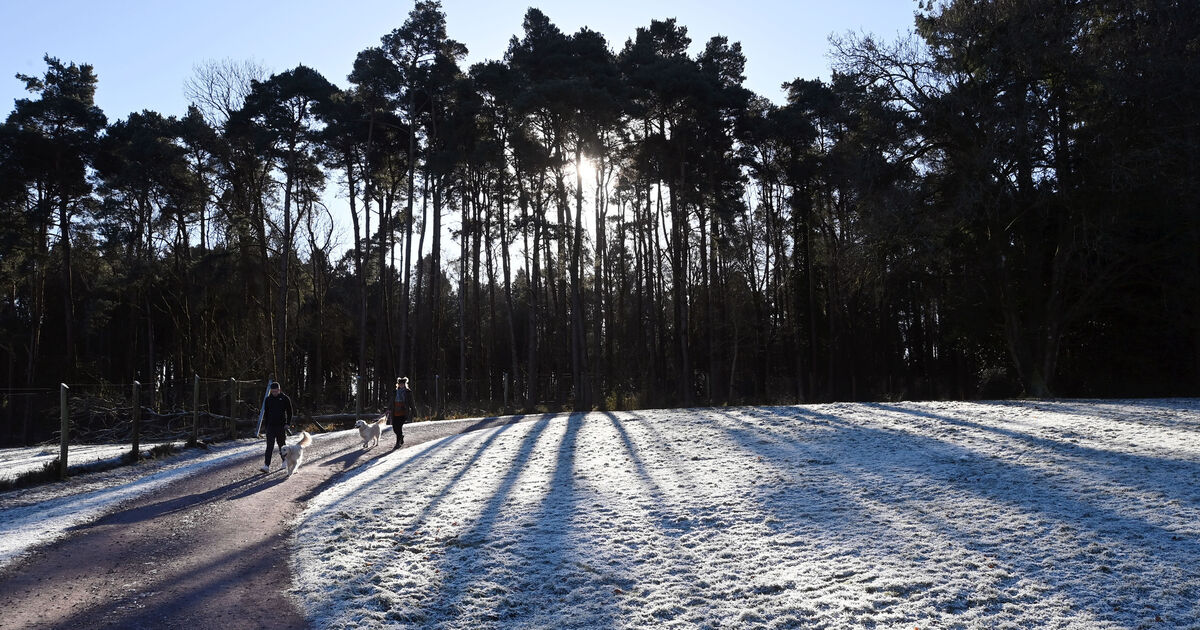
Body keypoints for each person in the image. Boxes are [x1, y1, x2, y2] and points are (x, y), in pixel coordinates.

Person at [260, 381, 293, 472]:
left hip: (281, 426)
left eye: (276, 391)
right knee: (269, 446)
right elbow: (266, 413)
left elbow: (290, 412)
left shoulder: (285, 398)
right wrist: (266, 426)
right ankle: (266, 466)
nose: (274, 393)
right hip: (270, 426)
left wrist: (288, 423)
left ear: (279, 390)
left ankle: (284, 461)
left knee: (281, 445)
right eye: (272, 391)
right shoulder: (268, 399)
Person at [390, 377, 415, 450]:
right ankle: (401, 437)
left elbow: (411, 402)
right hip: (395, 412)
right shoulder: (395, 392)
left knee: (399, 427)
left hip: (404, 412)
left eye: (402, 384)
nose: (401, 385)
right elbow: (391, 401)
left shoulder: (408, 392)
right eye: (400, 384)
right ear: (398, 384)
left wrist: (414, 411)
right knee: (395, 428)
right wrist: (388, 408)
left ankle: (398, 443)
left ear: (405, 384)